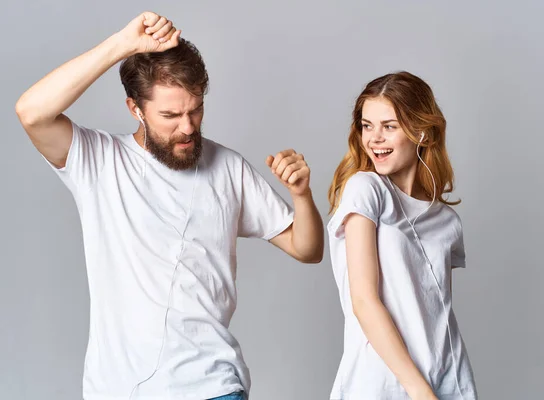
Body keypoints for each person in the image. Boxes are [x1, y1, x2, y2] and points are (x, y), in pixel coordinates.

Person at [15, 11, 324, 400]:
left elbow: (307, 249)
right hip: (120, 391)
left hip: (215, 387)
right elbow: (32, 112)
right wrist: (123, 44)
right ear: (135, 109)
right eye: (170, 115)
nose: (189, 126)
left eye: (195, 109)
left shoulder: (229, 168)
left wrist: (301, 194)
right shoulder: (98, 161)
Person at [327, 71, 478, 400]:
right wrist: (421, 392)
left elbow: (432, 316)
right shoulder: (366, 189)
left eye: (389, 126)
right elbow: (364, 301)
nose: (374, 138)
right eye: (367, 125)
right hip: (381, 386)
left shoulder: (447, 221)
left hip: (450, 381)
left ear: (422, 132)